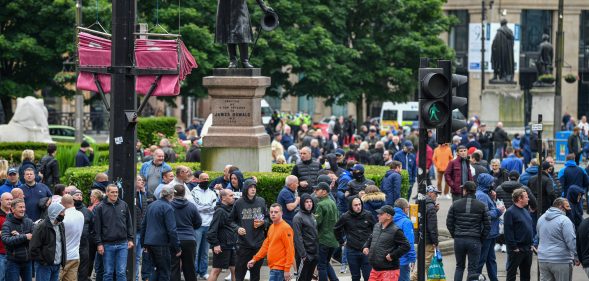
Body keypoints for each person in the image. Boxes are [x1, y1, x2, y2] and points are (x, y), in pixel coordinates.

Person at [446, 181, 490, 281]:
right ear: (474, 191)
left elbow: (449, 223)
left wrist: (455, 235)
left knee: (459, 267)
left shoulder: (455, 204)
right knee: (472, 269)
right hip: (474, 239)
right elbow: (487, 225)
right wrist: (481, 238)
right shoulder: (482, 205)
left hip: (459, 239)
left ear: (465, 190)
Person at [230, 179, 269, 281]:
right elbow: (230, 221)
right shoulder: (239, 203)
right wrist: (237, 228)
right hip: (243, 244)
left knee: (255, 275)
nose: (253, 189)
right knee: (240, 275)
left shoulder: (261, 201)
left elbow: (268, 218)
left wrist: (263, 223)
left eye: (254, 187)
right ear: (246, 189)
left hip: (258, 244)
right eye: (251, 187)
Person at [93, 184, 134, 281]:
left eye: (116, 192)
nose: (115, 194)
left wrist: (130, 239)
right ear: (107, 193)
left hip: (123, 244)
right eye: (112, 192)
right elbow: (97, 228)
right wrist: (99, 244)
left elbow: (129, 223)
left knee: (121, 272)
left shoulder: (124, 205)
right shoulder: (100, 207)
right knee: (108, 273)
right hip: (107, 245)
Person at [215, 0, 272, 68]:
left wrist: (264, 7)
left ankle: (244, 61)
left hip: (240, 6)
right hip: (225, 5)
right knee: (229, 32)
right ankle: (233, 60)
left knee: (242, 32)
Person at [247, 204, 295, 281]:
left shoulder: (286, 228)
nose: (273, 214)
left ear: (282, 213)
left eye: (276, 212)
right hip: (274, 268)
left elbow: (290, 250)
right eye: (271, 212)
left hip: (280, 269)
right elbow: (266, 246)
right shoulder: (272, 227)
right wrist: (255, 259)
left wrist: (287, 269)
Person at [362, 205, 410, 281]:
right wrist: (366, 246)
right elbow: (371, 237)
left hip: (389, 271)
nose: (378, 215)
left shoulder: (396, 230)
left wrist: (392, 255)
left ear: (388, 216)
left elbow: (406, 246)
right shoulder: (377, 226)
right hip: (375, 269)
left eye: (381, 214)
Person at [334, 196, 376, 281]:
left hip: (366, 250)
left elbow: (376, 229)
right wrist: (341, 241)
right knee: (355, 277)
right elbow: (336, 229)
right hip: (352, 250)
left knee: (368, 276)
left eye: (360, 204)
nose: (358, 207)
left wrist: (372, 243)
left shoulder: (368, 214)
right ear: (351, 206)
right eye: (356, 205)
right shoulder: (345, 216)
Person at [537, 198, 578, 280]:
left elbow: (539, 236)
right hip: (561, 260)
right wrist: (577, 256)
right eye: (567, 206)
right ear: (560, 206)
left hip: (543, 259)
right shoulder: (565, 220)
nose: (569, 209)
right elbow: (571, 241)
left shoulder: (541, 218)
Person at [475, 174, 505, 281]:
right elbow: (484, 214)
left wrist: (493, 199)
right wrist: (498, 211)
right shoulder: (481, 196)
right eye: (491, 182)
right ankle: (474, 278)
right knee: (481, 260)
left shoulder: (485, 194)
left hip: (491, 233)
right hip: (487, 233)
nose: (493, 184)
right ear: (486, 183)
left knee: (491, 259)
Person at [30, 203, 66, 281]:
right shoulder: (41, 227)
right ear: (55, 212)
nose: (64, 214)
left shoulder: (61, 225)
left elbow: (62, 243)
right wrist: (43, 261)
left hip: (57, 264)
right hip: (44, 266)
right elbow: (33, 248)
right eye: (62, 212)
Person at [207, 189, 237, 281]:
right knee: (216, 270)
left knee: (235, 270)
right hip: (222, 246)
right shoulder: (219, 211)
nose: (233, 197)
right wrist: (215, 244)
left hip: (232, 244)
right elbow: (212, 230)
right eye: (231, 196)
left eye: (233, 195)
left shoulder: (232, 209)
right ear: (223, 198)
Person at [503, 188, 534, 281]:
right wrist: (514, 247)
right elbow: (508, 231)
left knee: (526, 275)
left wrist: (531, 244)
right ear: (520, 199)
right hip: (517, 250)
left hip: (528, 248)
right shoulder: (510, 212)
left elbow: (529, 228)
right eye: (526, 197)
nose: (528, 199)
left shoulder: (525, 211)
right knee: (512, 274)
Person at [191, 173, 216, 280]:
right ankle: (194, 272)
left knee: (205, 252)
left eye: (207, 179)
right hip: (198, 225)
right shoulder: (193, 192)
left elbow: (214, 207)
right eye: (204, 179)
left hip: (209, 225)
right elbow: (196, 207)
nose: (206, 180)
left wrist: (204, 207)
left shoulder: (212, 192)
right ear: (199, 180)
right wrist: (208, 207)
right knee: (195, 251)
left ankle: (203, 271)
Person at [2, 198, 34, 281]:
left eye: (24, 207)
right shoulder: (7, 224)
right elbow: (6, 240)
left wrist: (19, 236)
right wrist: (24, 237)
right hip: (13, 262)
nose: (23, 209)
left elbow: (35, 237)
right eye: (20, 207)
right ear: (13, 209)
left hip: (27, 261)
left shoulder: (29, 222)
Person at [314, 182, 340, 281]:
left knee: (321, 265)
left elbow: (317, 222)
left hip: (323, 240)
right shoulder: (332, 202)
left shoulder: (321, 204)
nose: (315, 191)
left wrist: (312, 218)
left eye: (317, 189)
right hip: (333, 240)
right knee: (325, 263)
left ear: (324, 192)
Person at [292, 194, 318, 281]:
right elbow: (297, 238)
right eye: (307, 202)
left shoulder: (312, 216)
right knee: (301, 278)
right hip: (304, 255)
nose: (309, 204)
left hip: (314, 253)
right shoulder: (297, 217)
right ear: (302, 203)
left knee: (308, 278)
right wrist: (303, 255)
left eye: (310, 202)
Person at [59, 195, 85, 281]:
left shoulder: (63, 217)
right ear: (73, 202)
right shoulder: (80, 215)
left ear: (62, 204)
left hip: (63, 257)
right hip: (75, 255)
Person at [0, 192, 12, 281]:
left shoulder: (15, 213)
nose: (9, 201)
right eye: (7, 199)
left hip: (14, 253)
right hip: (1, 252)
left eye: (11, 199)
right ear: (1, 201)